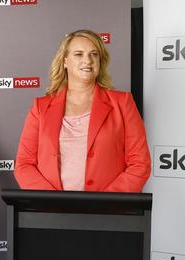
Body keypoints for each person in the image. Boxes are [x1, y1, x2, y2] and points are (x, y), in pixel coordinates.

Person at [14, 29, 151, 192]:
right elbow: (24, 164)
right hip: (51, 211)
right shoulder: (40, 108)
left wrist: (105, 203)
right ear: (65, 61)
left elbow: (140, 164)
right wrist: (52, 202)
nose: (87, 60)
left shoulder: (123, 103)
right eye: (78, 54)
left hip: (108, 212)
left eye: (94, 54)